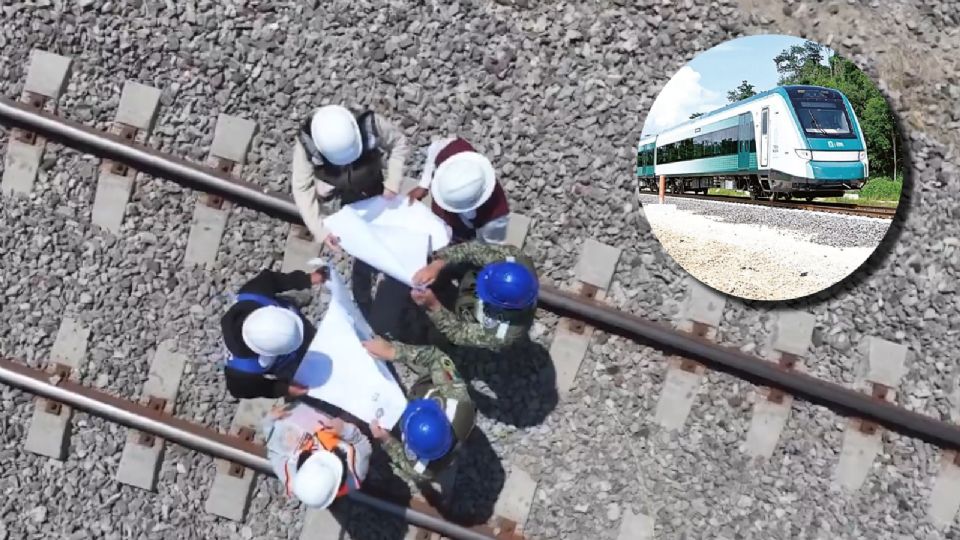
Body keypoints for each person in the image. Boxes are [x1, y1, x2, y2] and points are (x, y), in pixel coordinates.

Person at [290, 104, 411, 316]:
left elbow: (399, 143)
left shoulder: (370, 123)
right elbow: (301, 187)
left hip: (372, 180)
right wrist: (320, 230)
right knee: (360, 240)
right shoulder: (307, 143)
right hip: (341, 187)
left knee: (386, 219)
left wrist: (393, 181)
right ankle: (363, 292)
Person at [361, 337, 475, 484]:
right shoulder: (459, 398)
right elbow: (437, 357)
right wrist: (392, 352)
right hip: (430, 387)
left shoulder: (423, 470)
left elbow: (403, 459)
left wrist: (386, 439)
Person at [220, 267, 328, 400]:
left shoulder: (255, 293)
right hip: (286, 364)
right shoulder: (241, 372)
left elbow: (273, 279)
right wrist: (283, 389)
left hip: (289, 320)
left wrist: (307, 279)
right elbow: (239, 390)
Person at [409, 241, 539, 352]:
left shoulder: (502, 334)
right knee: (457, 261)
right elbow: (472, 250)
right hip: (477, 279)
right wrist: (438, 263)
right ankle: (441, 279)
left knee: (439, 335)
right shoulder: (512, 258)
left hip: (475, 315)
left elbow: (458, 333)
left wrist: (433, 307)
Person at [261, 401, 372, 509]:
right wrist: (345, 429)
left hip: (315, 419)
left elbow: (274, 453)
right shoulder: (357, 472)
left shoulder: (296, 480)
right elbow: (362, 443)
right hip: (339, 427)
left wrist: (268, 423)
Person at [407, 137, 510, 245]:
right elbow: (434, 149)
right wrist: (424, 184)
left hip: (474, 225)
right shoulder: (451, 148)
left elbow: (492, 246)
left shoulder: (497, 214)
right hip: (449, 222)